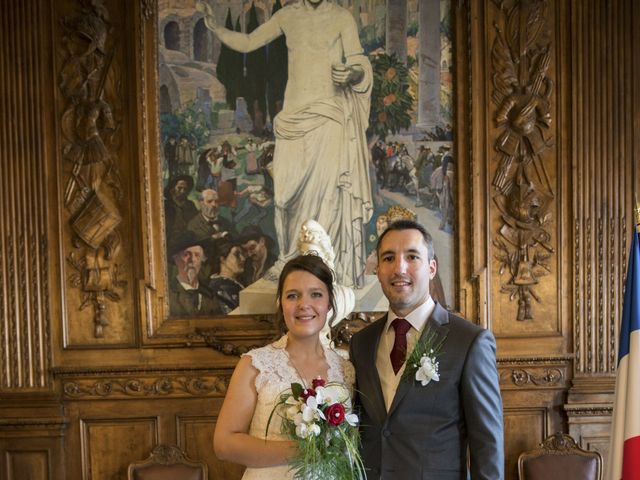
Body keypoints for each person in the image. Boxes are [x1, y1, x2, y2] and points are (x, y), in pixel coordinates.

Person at [197, 0, 374, 289]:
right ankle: (291, 259)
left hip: (329, 117)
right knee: (284, 195)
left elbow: (358, 61)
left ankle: (326, 264)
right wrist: (217, 28)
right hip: (293, 118)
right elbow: (247, 42)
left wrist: (353, 73)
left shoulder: (342, 17)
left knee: (328, 194)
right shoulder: (288, 16)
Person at [349, 219, 504, 479]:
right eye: (388, 258)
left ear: (432, 268)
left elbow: (487, 443)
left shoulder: (469, 341)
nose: (399, 268)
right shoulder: (361, 343)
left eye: (412, 257)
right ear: (378, 270)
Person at [213, 254, 355, 479]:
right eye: (292, 295)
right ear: (281, 302)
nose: (304, 305)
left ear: (329, 303)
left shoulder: (346, 368)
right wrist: (301, 450)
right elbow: (224, 443)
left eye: (316, 294)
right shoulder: (255, 364)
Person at [168, 233, 222, 317]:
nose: (192, 260)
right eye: (186, 255)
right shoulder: (168, 294)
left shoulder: (209, 294)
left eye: (197, 255)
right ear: (175, 259)